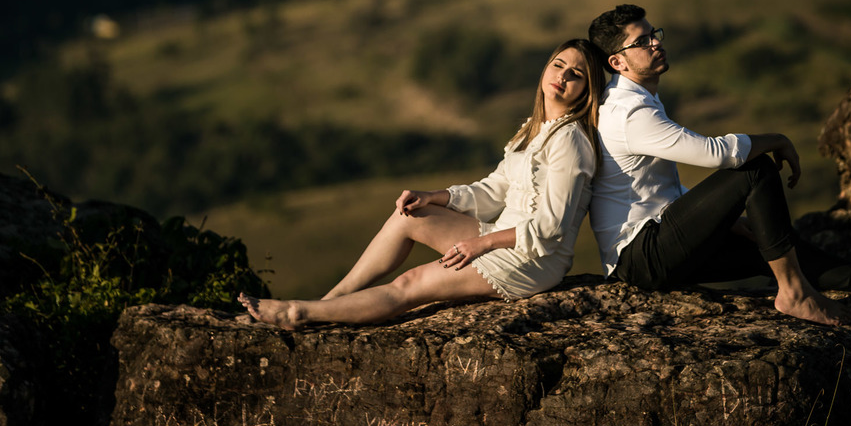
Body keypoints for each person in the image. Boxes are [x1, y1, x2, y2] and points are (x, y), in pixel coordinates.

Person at [587, 4, 851, 326]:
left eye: (654, 34)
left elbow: (656, 192)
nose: (656, 43)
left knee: (773, 245)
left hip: (655, 248)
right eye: (642, 41)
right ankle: (794, 294)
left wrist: (728, 221)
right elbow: (716, 154)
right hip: (642, 256)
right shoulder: (629, 113)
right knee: (754, 169)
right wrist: (777, 140)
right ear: (617, 61)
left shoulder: (637, 100)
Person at [240, 38, 608, 329]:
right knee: (408, 216)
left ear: (586, 89)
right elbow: (496, 189)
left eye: (576, 74)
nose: (563, 75)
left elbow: (550, 228)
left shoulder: (570, 141)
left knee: (411, 283)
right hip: (500, 235)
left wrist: (481, 244)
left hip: (533, 260)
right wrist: (436, 197)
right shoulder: (534, 128)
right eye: (558, 64)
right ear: (546, 68)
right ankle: (330, 301)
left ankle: (299, 314)